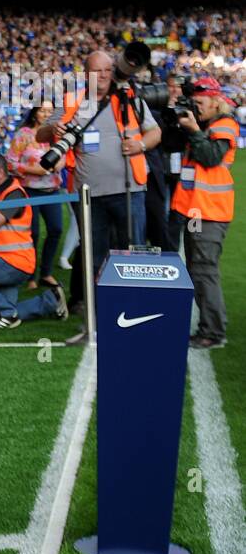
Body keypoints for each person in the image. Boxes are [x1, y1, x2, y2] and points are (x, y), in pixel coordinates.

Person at [40, 50, 161, 338]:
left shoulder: (129, 97)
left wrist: (140, 145)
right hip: (89, 197)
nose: (104, 75)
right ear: (86, 75)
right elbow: (41, 135)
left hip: (130, 191)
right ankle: (94, 323)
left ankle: (135, 317)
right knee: (94, 260)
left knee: (132, 257)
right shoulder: (72, 101)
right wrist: (51, 128)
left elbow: (155, 133)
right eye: (97, 71)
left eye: (108, 70)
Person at [0, 154, 68, 328]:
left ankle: (8, 313)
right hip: (0, 261)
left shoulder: (15, 194)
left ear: (0, 172)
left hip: (16, 262)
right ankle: (51, 300)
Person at [169, 77, 238, 349]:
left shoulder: (225, 125)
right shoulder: (205, 125)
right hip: (195, 211)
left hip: (210, 213)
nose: (196, 108)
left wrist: (195, 130)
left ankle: (212, 331)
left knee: (205, 271)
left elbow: (210, 157)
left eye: (199, 103)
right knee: (197, 269)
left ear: (215, 102)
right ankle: (210, 326)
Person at [8, 101, 63, 290]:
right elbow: (11, 162)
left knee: (56, 229)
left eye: (50, 111)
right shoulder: (24, 134)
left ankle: (46, 273)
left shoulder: (57, 134)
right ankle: (30, 275)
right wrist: (33, 170)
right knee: (34, 233)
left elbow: (64, 156)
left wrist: (59, 164)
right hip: (29, 190)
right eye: (43, 110)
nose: (46, 114)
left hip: (52, 189)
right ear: (35, 113)